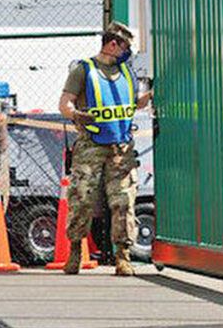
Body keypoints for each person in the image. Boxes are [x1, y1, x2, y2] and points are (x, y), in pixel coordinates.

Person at [58, 22, 153, 276]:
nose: (128, 52)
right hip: (90, 146)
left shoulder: (127, 72)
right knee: (82, 199)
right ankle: (75, 251)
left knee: (124, 201)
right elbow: (64, 103)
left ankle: (123, 256)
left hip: (121, 147)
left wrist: (154, 95)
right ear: (113, 44)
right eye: (125, 47)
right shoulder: (83, 70)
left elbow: (135, 104)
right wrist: (76, 114)